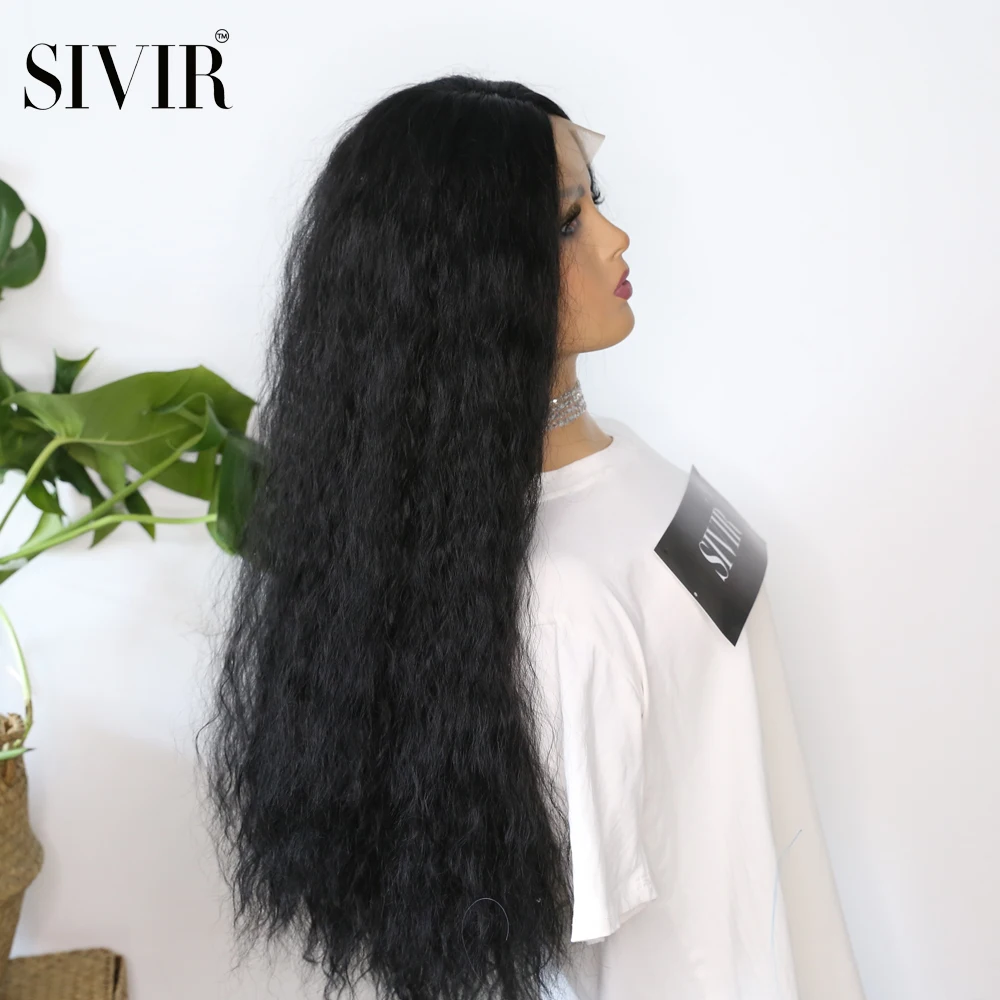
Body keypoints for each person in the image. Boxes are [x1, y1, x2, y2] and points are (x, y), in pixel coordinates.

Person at [197, 73, 865, 1000]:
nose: (615, 238)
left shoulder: (620, 463)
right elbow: (602, 945)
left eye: (595, 203)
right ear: (466, 275)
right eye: (567, 222)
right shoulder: (559, 602)